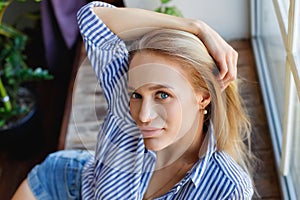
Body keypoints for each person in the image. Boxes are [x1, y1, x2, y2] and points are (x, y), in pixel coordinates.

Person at [12, 1, 254, 199]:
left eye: (163, 94)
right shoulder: (124, 106)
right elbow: (92, 17)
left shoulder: (228, 188)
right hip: (59, 187)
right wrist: (195, 27)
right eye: (136, 94)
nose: (143, 115)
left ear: (203, 97)